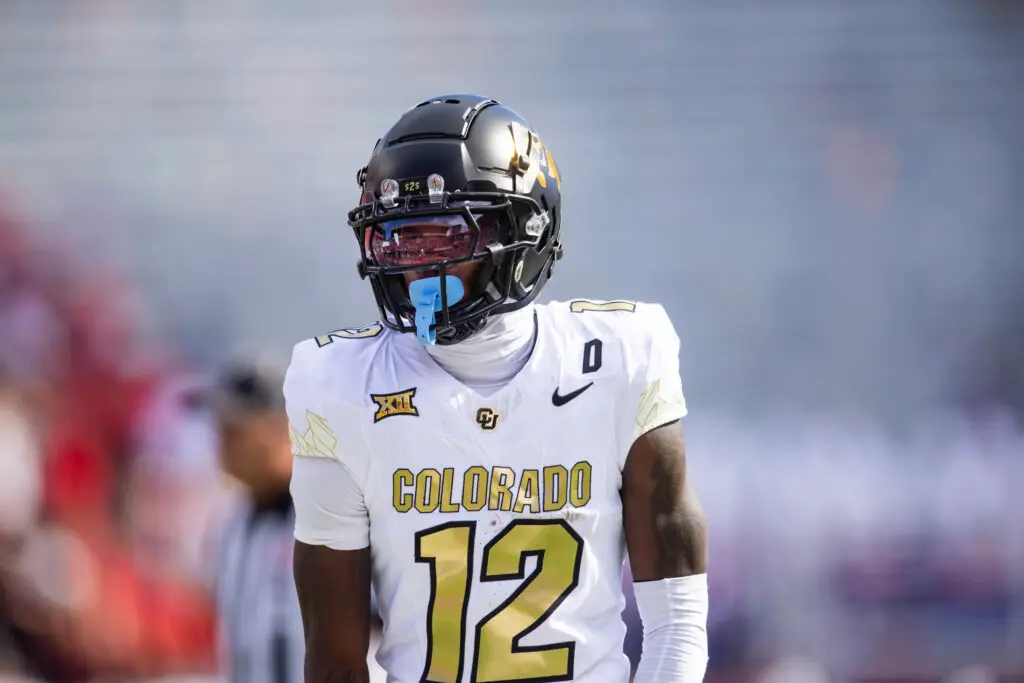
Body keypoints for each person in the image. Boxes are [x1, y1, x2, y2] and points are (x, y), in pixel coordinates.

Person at [285, 94, 709, 683]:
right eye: (398, 239)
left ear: (525, 228)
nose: (416, 267)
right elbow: (334, 664)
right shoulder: (337, 386)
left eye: (442, 236)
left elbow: (678, 627)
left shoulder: (623, 357)